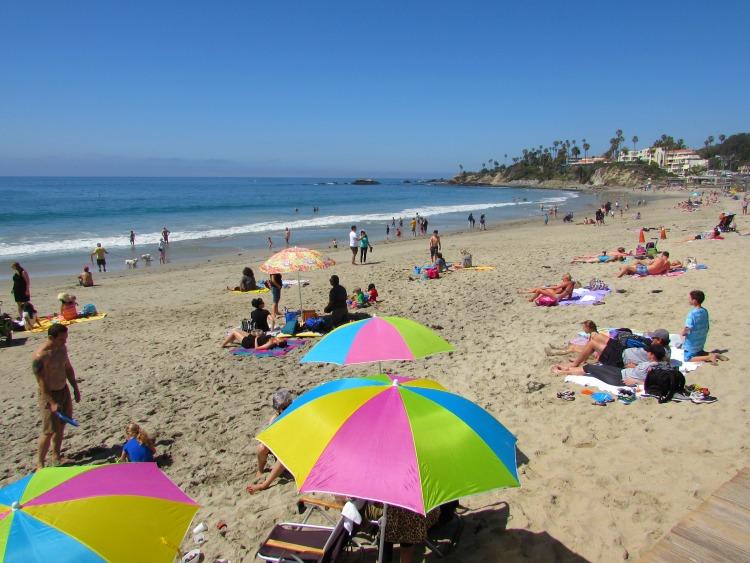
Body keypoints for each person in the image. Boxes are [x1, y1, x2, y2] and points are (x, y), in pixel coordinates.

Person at [33, 324, 81, 468]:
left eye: (65, 339)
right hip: (48, 394)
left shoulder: (62, 349)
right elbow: (41, 383)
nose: (64, 342)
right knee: (49, 430)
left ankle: (56, 456)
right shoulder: (41, 356)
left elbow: (68, 368)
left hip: (63, 390)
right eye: (61, 339)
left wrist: (75, 387)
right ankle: (40, 464)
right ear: (50, 338)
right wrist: (51, 402)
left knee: (61, 426)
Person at [553, 344, 669, 387]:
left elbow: (656, 382)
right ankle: (568, 368)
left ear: (652, 354)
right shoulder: (653, 363)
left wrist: (636, 382)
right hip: (621, 372)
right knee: (597, 367)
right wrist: (633, 368)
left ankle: (564, 372)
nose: (647, 353)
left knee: (589, 368)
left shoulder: (653, 367)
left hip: (619, 379)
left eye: (649, 352)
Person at [248, 389, 294, 494]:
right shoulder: (275, 419)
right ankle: (260, 470)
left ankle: (264, 485)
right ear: (278, 409)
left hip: (291, 450)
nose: (285, 410)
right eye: (282, 408)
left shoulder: (295, 415)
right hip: (281, 446)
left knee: (283, 457)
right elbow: (270, 438)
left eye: (287, 407)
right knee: (261, 448)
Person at [680, 290, 721, 363]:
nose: (688, 300)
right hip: (701, 341)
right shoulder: (704, 311)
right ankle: (714, 354)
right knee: (699, 352)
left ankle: (710, 357)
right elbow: (707, 326)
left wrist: (682, 335)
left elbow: (688, 329)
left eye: (690, 299)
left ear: (694, 301)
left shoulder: (692, 314)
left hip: (692, 344)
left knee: (687, 358)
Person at [219, 329, 286, 349]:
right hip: (252, 338)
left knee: (234, 332)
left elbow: (257, 348)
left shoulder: (270, 343)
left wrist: (256, 339)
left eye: (280, 339)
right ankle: (231, 339)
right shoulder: (274, 338)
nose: (280, 338)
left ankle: (222, 345)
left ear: (277, 343)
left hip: (249, 342)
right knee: (237, 330)